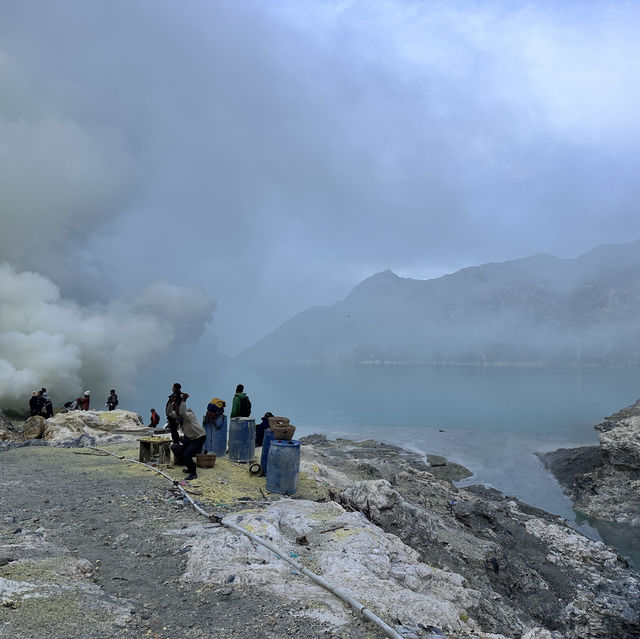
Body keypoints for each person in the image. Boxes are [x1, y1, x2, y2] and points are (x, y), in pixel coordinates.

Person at [176, 399, 206, 481]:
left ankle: (193, 473)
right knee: (181, 452)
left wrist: (183, 401)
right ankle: (189, 468)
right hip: (191, 437)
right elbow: (169, 413)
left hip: (199, 436)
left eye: (177, 408)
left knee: (187, 454)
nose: (176, 410)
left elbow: (182, 412)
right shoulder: (181, 416)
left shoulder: (189, 414)